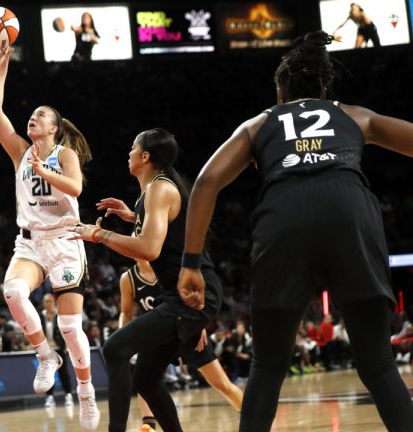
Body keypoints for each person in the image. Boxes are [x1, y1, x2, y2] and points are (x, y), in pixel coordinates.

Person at [177, 31, 413, 432]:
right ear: (324, 87)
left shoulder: (259, 123)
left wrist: (191, 263)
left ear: (280, 92)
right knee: (377, 363)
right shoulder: (356, 115)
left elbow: (205, 182)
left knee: (267, 366)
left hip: (284, 216)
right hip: (349, 211)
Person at [71, 128, 223, 432]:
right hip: (182, 294)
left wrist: (99, 234)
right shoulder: (155, 190)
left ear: (145, 156)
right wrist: (132, 217)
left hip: (191, 294)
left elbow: (149, 248)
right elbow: (162, 234)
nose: (127, 154)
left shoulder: (159, 189)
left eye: (132, 149)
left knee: (114, 349)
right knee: (145, 380)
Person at [0, 46, 99, 430]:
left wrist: (43, 170)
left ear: (54, 128)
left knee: (70, 328)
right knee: (14, 292)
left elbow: (75, 188)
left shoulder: (64, 154)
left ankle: (85, 390)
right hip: (31, 241)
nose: (32, 118)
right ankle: (44, 355)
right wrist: (1, 69)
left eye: (40, 116)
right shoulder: (20, 151)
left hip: (66, 241)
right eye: (31, 115)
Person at [117, 260, 242, 431]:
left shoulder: (168, 267)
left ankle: (254, 419)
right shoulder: (128, 278)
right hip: (156, 336)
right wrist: (125, 340)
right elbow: (126, 312)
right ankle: (149, 425)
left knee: (221, 384)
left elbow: (194, 296)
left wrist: (199, 322)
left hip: (186, 331)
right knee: (144, 380)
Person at [39, 293, 74, 409]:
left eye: (50, 301)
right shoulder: (40, 316)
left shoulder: (59, 315)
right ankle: (49, 398)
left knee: (64, 374)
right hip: (47, 350)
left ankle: (68, 396)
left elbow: (67, 331)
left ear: (53, 303)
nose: (48, 304)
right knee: (48, 375)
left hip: (60, 349)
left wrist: (68, 345)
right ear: (43, 303)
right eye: (46, 302)